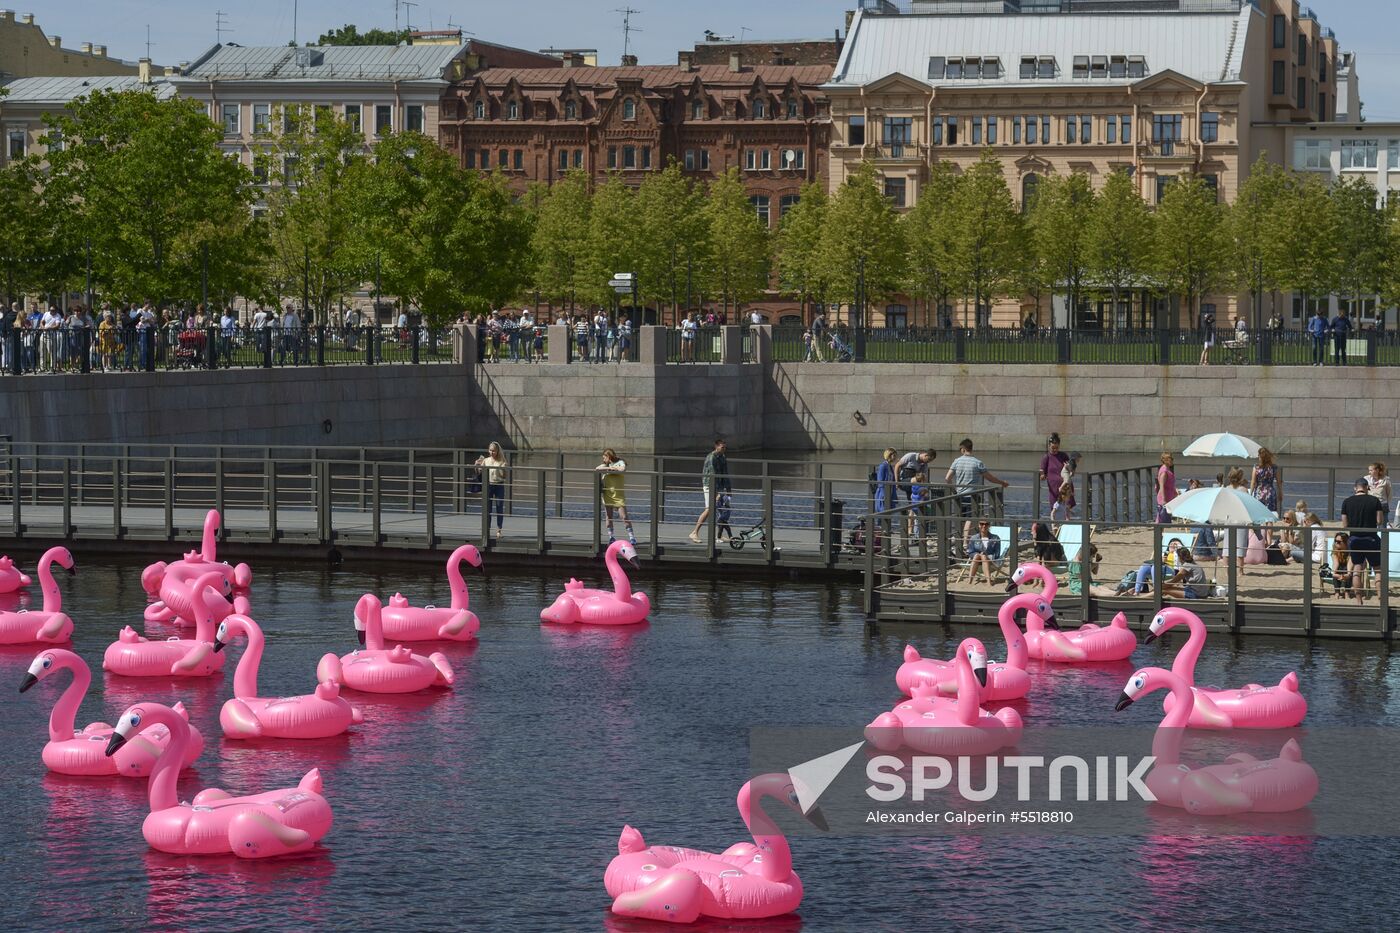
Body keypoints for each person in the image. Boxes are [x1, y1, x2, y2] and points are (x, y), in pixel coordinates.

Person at [946, 439, 1009, 554]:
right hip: (973, 495)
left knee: (960, 518)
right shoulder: (977, 463)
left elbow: (947, 478)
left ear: (963, 449)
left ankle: (960, 542)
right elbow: (989, 478)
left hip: (959, 495)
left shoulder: (956, 461)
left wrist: (953, 490)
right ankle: (965, 543)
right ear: (971, 448)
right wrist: (1001, 482)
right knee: (970, 518)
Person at [1341, 477, 1383, 604]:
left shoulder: (1347, 502)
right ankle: (1381, 597)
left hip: (1355, 539)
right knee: (1377, 569)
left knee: (1357, 569)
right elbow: (1379, 521)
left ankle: (1359, 600)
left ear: (1355, 488)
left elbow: (1344, 525)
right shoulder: (1375, 500)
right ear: (1367, 487)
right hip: (1371, 538)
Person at [689, 438, 731, 543]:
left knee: (723, 510)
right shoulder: (711, 457)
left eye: (725, 447)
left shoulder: (722, 457)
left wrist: (728, 489)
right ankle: (694, 532)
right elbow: (712, 476)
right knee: (710, 509)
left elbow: (725, 474)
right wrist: (716, 493)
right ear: (716, 447)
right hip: (709, 485)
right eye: (722, 447)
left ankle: (719, 535)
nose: (724, 449)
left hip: (719, 487)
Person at [595, 448, 636, 546]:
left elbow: (623, 469)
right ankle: (611, 537)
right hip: (608, 494)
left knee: (624, 516)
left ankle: (632, 537)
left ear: (609, 456)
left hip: (618, 495)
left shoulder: (620, 462)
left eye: (604, 457)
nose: (603, 459)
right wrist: (608, 468)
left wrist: (613, 468)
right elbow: (597, 469)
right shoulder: (605, 465)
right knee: (609, 517)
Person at [475, 442, 509, 540]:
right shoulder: (486, 460)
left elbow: (504, 476)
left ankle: (499, 530)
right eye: (490, 450)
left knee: (499, 507)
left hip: (499, 485)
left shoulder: (502, 461)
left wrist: (504, 469)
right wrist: (476, 465)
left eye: (493, 450)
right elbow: (478, 473)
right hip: (488, 485)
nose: (492, 452)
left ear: (497, 451)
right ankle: (487, 529)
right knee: (487, 508)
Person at [1039, 433, 1074, 520]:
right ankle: (1055, 528)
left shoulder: (1063, 455)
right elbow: (1042, 470)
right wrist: (1042, 475)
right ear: (1049, 446)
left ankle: (1067, 527)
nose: (1055, 450)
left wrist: (1071, 470)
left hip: (1065, 487)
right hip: (1054, 488)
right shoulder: (1046, 457)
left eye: (1056, 448)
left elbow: (1071, 467)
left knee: (1067, 508)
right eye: (1052, 448)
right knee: (1054, 508)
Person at [870, 448, 898, 549]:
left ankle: (885, 539)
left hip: (890, 494)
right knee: (882, 515)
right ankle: (880, 539)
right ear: (889, 455)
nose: (895, 457)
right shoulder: (883, 466)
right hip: (883, 494)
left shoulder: (890, 466)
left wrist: (894, 495)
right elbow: (880, 481)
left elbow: (893, 481)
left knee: (888, 514)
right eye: (894, 455)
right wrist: (883, 495)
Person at [966, 520, 1002, 586]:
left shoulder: (995, 538)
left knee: (984, 556)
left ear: (989, 525)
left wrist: (986, 555)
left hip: (991, 560)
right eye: (982, 524)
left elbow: (997, 554)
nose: (984, 526)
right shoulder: (974, 538)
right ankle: (970, 581)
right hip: (976, 559)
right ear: (979, 525)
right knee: (977, 555)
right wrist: (979, 555)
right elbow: (970, 552)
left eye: (986, 524)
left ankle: (988, 582)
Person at [1249, 447, 1278, 515]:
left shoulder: (1256, 467)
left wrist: (1250, 494)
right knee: (1270, 514)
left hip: (1259, 492)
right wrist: (1280, 493)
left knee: (1259, 513)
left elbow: (1253, 482)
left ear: (1260, 456)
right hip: (1270, 492)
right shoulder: (1274, 467)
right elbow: (1279, 481)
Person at [1155, 453, 1177, 524]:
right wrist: (1164, 499)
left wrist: (1175, 492)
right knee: (1161, 518)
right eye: (1171, 459)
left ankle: (1160, 534)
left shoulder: (1167, 469)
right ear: (1166, 460)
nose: (1172, 460)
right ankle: (1158, 534)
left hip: (1168, 496)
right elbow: (1162, 486)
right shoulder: (1164, 471)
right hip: (1164, 497)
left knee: (1164, 518)